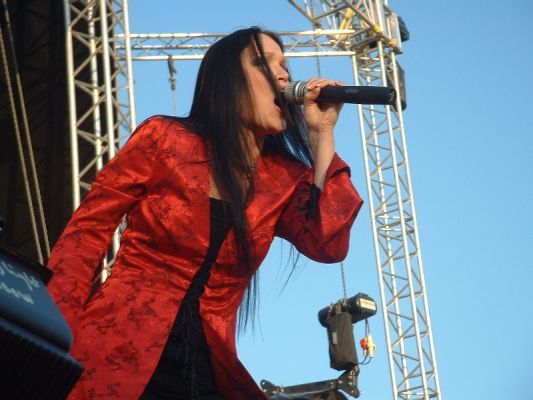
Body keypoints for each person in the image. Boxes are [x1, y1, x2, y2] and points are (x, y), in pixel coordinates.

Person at [46, 26, 363, 400]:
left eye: (285, 66)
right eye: (265, 63)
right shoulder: (165, 138)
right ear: (227, 80)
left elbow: (328, 244)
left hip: (208, 371)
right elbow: (86, 235)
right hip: (118, 352)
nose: (283, 76)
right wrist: (50, 334)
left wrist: (322, 135)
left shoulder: (283, 178)